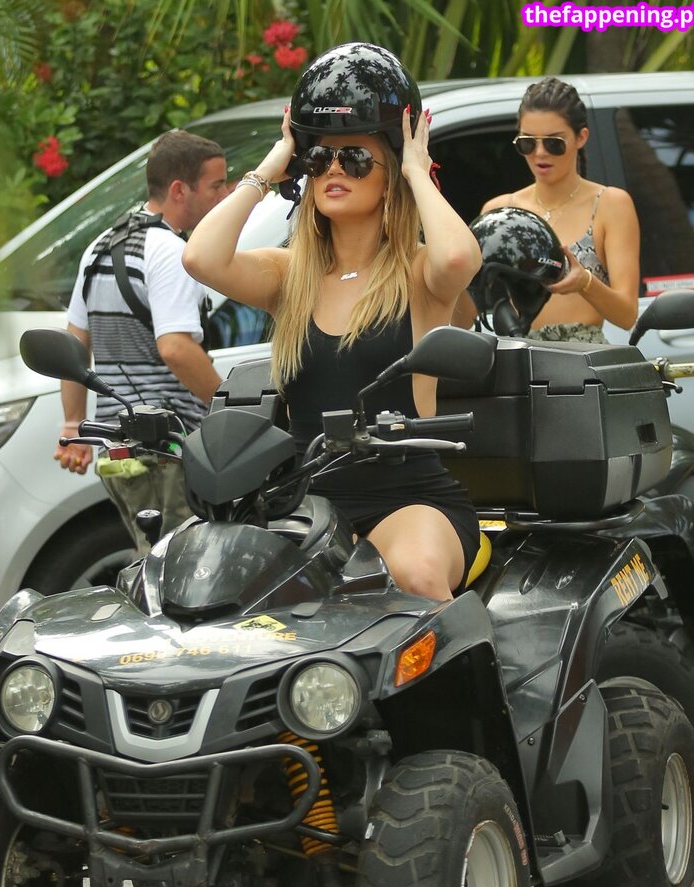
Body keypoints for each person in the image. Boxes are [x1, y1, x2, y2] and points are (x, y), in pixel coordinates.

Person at [184, 42, 482, 602]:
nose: (335, 169)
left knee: (416, 575)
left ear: (389, 172)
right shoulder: (288, 274)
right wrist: (273, 165)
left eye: (357, 158)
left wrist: (416, 170)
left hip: (406, 499)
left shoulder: (419, 273)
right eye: (320, 158)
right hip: (304, 501)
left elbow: (460, 258)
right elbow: (201, 258)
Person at [57, 129, 228, 549]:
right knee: (184, 562)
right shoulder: (169, 251)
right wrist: (231, 407)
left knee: (150, 558)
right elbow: (175, 348)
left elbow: (74, 345)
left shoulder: (100, 246)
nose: (224, 196)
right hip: (166, 447)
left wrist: (73, 423)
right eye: (216, 185)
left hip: (119, 451)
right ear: (179, 190)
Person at [455, 76, 639, 343]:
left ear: (581, 137)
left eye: (554, 143)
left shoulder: (610, 204)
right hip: (520, 354)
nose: (540, 153)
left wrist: (584, 283)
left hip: (583, 357)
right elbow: (463, 318)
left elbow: (627, 315)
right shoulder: (500, 211)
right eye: (528, 143)